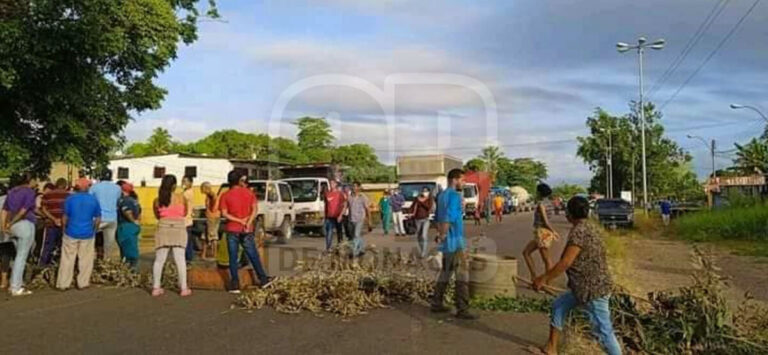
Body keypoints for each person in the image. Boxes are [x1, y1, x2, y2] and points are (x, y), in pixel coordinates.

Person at [533, 196, 621, 355]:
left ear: (570, 214)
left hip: (592, 290)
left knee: (603, 331)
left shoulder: (579, 232)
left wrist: (543, 279)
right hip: (582, 287)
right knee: (559, 306)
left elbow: (566, 262)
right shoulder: (590, 227)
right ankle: (551, 348)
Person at [219, 170, 275, 294]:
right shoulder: (249, 193)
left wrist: (238, 220)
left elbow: (224, 214)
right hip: (247, 229)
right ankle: (263, 279)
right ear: (240, 181)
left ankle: (235, 284)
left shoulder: (225, 195)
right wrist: (247, 222)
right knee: (253, 254)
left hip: (232, 228)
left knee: (233, 257)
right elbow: (254, 210)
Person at [431, 168, 477, 320]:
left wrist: (440, 234)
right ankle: (462, 308)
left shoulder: (441, 196)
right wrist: (444, 234)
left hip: (447, 242)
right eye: (462, 180)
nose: (463, 183)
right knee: (462, 275)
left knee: (446, 273)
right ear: (455, 179)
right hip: (455, 241)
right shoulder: (454, 196)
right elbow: (447, 219)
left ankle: (436, 303)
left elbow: (437, 219)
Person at [57, 178, 101, 290]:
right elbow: (98, 218)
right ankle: (83, 283)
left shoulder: (70, 199)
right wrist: (94, 230)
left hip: (71, 232)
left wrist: (64, 229)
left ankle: (63, 284)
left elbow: (65, 217)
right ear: (87, 187)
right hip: (87, 233)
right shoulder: (93, 200)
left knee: (67, 259)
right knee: (85, 259)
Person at [151, 174, 191, 297]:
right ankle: (183, 288)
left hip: (163, 227)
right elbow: (184, 213)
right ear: (174, 185)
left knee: (159, 260)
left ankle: (156, 287)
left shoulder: (158, 200)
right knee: (180, 259)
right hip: (179, 228)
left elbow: (157, 215)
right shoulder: (182, 198)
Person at [1, 173, 37, 296]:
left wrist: (4, 226)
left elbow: (4, 210)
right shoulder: (30, 192)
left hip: (13, 227)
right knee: (22, 256)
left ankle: (16, 283)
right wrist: (12, 222)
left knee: (18, 256)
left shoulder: (11, 192)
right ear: (29, 180)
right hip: (25, 224)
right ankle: (15, 286)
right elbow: (23, 211)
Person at [523, 183, 560, 284]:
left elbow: (546, 221)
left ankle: (547, 282)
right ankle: (534, 277)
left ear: (539, 192)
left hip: (542, 233)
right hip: (543, 233)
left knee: (546, 259)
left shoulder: (541, 204)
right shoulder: (550, 203)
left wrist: (553, 231)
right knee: (526, 253)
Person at [90, 169, 121, 260]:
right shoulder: (117, 188)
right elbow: (117, 200)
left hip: (98, 218)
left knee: (91, 242)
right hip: (112, 218)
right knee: (109, 245)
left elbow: (90, 201)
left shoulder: (94, 187)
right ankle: (107, 263)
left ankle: (92, 262)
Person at [39, 178, 70, 265]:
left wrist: (53, 218)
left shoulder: (47, 195)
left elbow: (43, 209)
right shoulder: (69, 196)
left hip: (51, 223)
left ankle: (42, 266)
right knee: (63, 246)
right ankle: (60, 265)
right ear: (65, 186)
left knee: (48, 246)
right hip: (65, 225)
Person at [117, 182, 141, 271]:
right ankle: (131, 270)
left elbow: (127, 212)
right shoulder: (134, 201)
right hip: (133, 227)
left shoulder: (124, 200)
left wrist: (133, 221)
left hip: (126, 226)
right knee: (132, 247)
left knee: (127, 250)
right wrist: (137, 222)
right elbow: (139, 213)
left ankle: (128, 271)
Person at [343, 182, 370, 258]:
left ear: (358, 187)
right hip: (351, 219)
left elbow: (367, 209)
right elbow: (345, 206)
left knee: (356, 235)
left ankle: (354, 252)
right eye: (353, 186)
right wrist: (341, 215)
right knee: (355, 235)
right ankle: (361, 249)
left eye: (355, 186)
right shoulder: (349, 197)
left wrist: (369, 221)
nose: (354, 188)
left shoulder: (363, 197)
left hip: (360, 219)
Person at [409, 187, 433, 258]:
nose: (424, 192)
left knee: (423, 235)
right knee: (419, 236)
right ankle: (421, 249)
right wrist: (409, 212)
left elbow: (429, 207)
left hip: (425, 219)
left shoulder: (429, 199)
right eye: (423, 191)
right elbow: (412, 206)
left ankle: (423, 252)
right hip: (417, 219)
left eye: (426, 191)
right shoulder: (417, 198)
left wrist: (422, 202)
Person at [323, 179, 345, 250]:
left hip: (338, 215)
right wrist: (325, 216)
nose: (331, 185)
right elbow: (326, 205)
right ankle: (328, 248)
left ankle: (340, 246)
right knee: (329, 232)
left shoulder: (339, 194)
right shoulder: (327, 194)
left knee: (339, 232)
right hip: (330, 216)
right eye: (330, 183)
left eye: (333, 183)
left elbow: (344, 205)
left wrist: (341, 215)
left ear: (336, 184)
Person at [201, 182, 220, 260]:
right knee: (205, 236)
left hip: (213, 218)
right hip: (209, 217)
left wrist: (209, 210)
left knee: (213, 236)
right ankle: (204, 254)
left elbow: (214, 207)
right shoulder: (209, 196)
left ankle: (214, 254)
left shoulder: (213, 196)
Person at [182, 175, 196, 262]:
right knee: (188, 241)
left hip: (185, 220)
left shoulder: (187, 193)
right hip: (187, 220)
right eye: (183, 181)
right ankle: (189, 257)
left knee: (186, 241)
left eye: (185, 181)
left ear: (190, 183)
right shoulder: (187, 192)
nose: (183, 183)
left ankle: (188, 258)